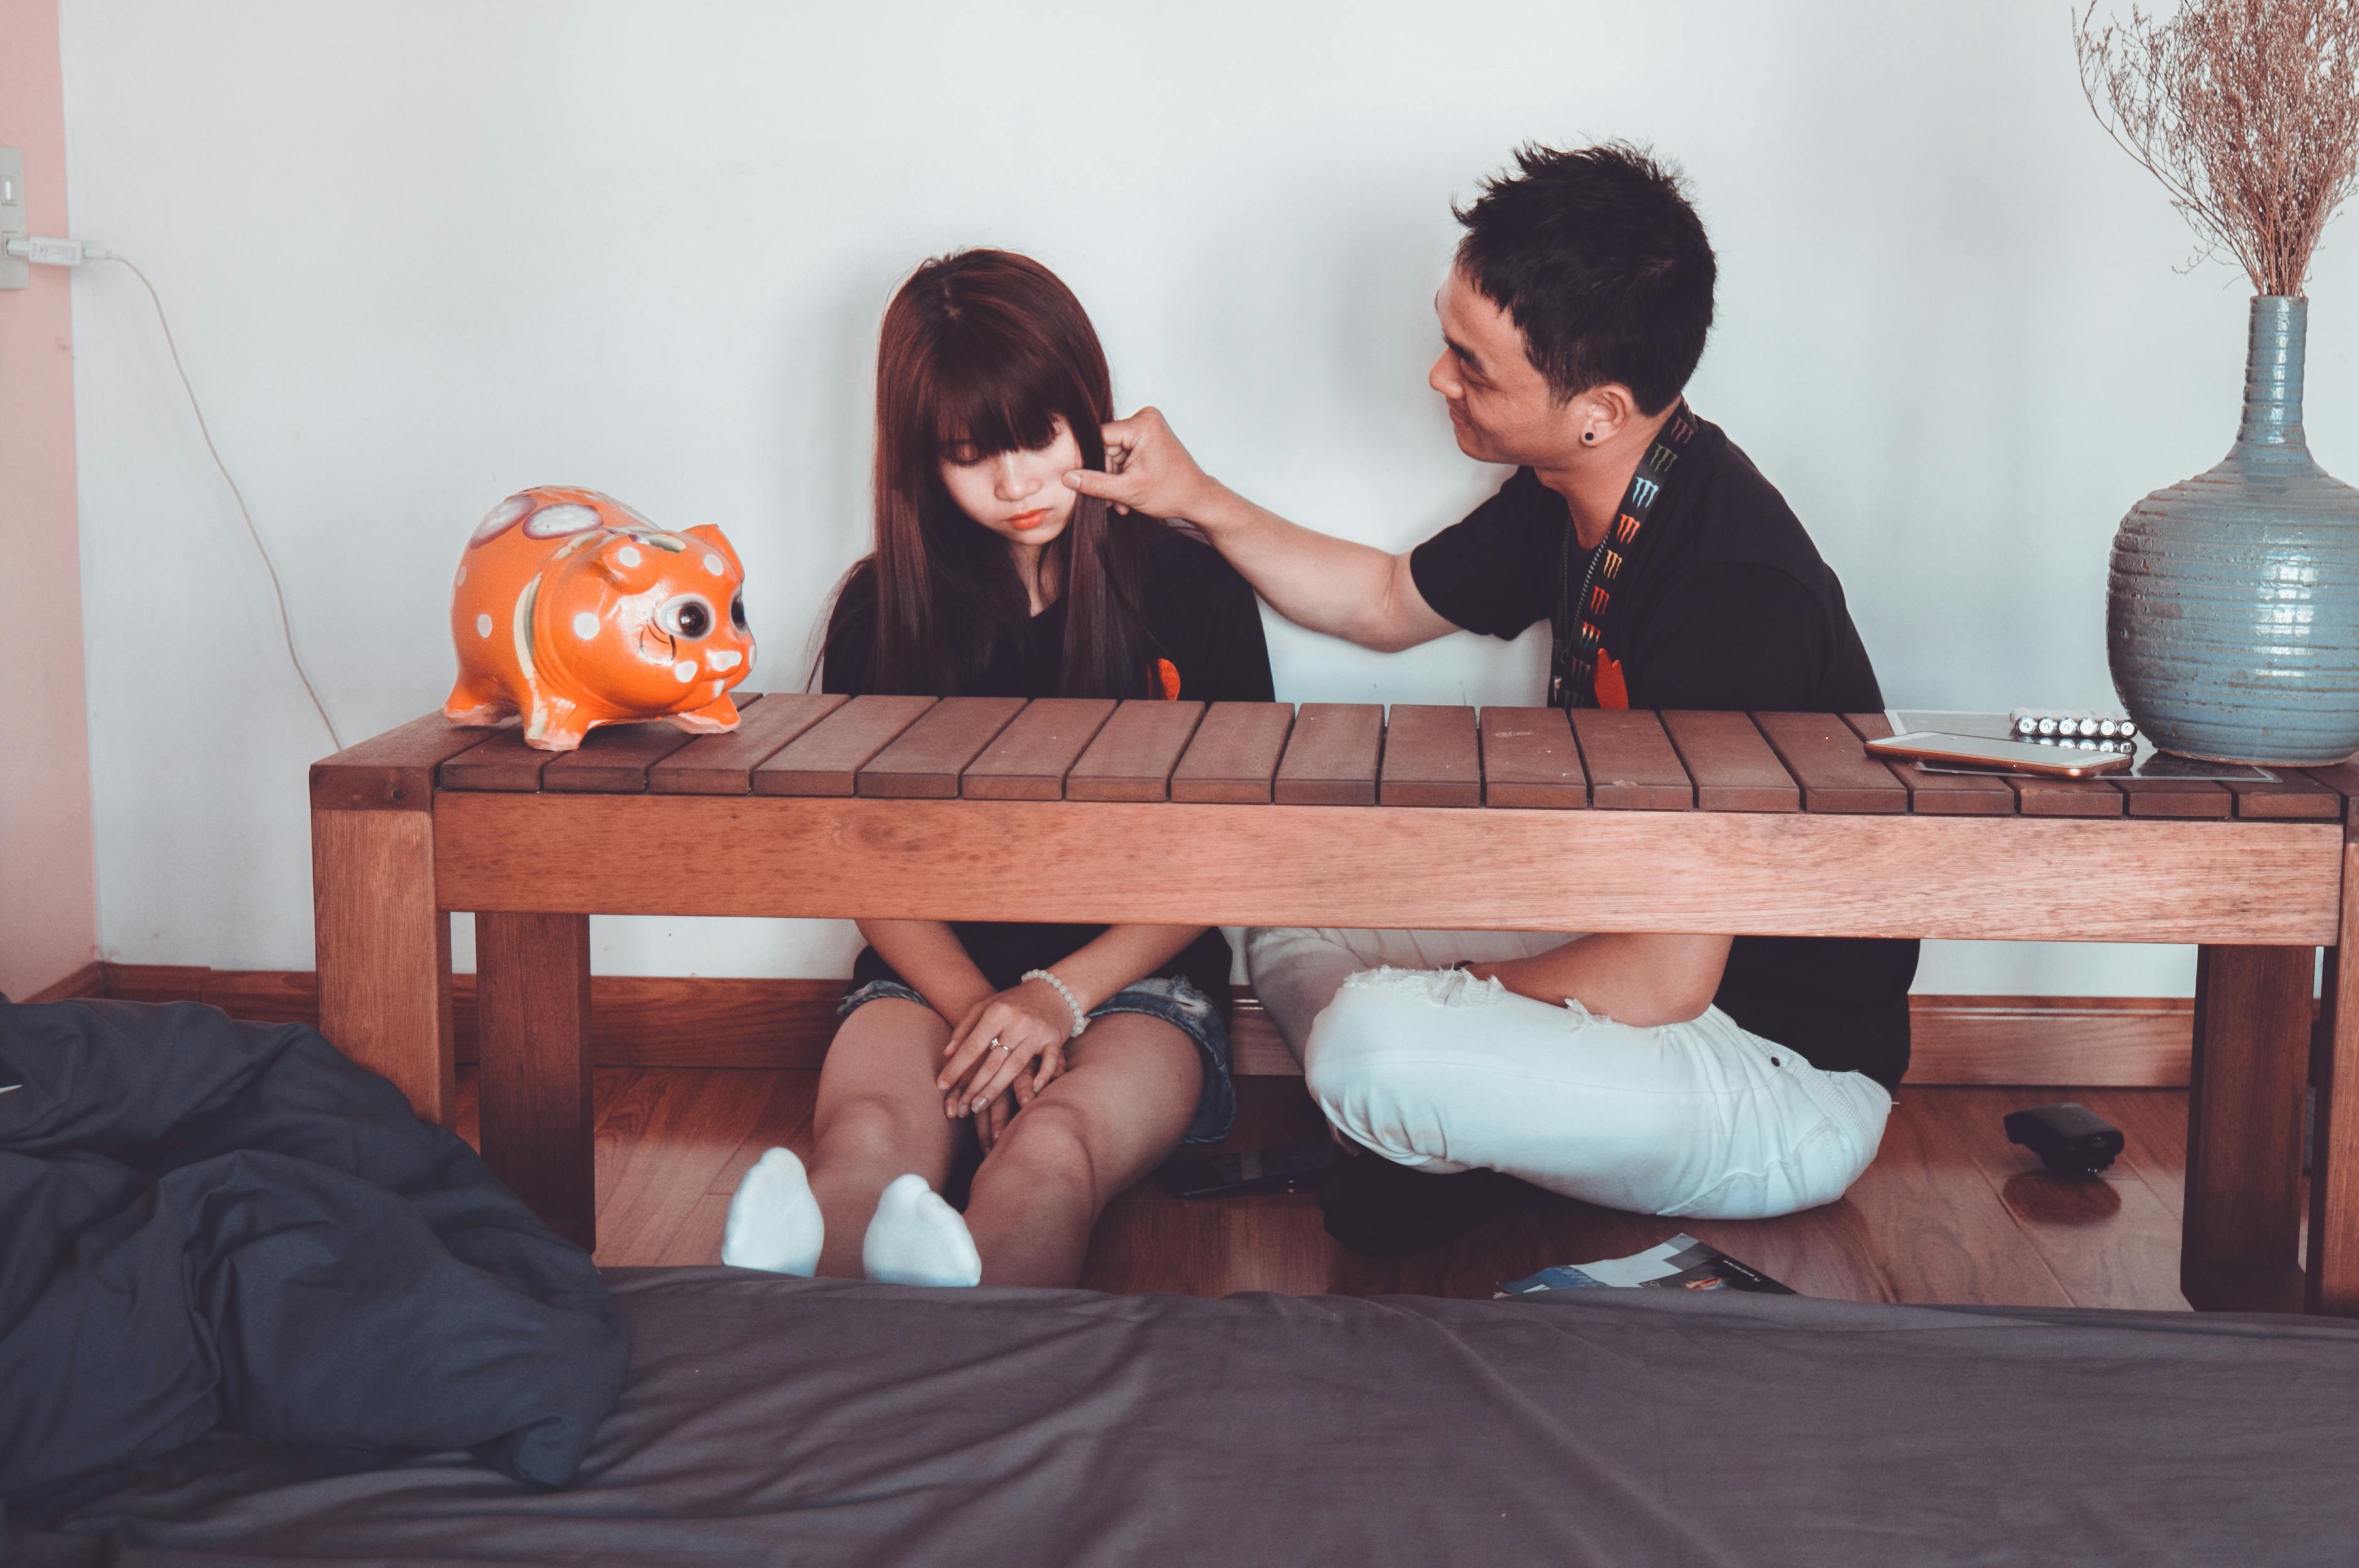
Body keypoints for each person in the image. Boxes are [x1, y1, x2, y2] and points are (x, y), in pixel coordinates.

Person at [1065, 143, 1918, 1255]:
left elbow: (1667, 974)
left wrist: (1458, 992)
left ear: (1599, 410)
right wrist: (1193, 498)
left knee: (1376, 1041)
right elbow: (1381, 600)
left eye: (1473, 365)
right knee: (1295, 894)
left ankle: (1429, 1116)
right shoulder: (1573, 491)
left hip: (1767, 1068)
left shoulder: (1733, 596)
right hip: (1627, 950)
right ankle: (1456, 1128)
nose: (1438, 377)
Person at [721, 248, 1273, 1287]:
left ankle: (974, 1399)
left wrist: (1056, 1001)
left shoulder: (1190, 589)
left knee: (1048, 1159)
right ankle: (800, 1350)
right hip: (928, 981)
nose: (1016, 484)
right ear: (921, 461)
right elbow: (863, 867)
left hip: (1138, 987)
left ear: (1086, 414)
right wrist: (986, 1009)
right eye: (973, 454)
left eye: (1038, 439)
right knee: (864, 1160)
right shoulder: (881, 613)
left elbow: (1227, 853)